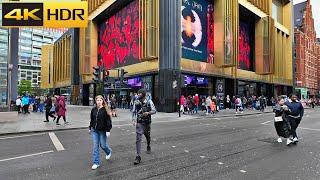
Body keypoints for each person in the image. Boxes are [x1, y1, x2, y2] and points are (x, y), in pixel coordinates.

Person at [132, 89, 156, 165]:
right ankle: (138, 156)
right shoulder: (136, 102)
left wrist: (148, 113)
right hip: (139, 122)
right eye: (138, 94)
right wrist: (133, 120)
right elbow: (133, 111)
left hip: (147, 123)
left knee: (147, 136)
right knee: (138, 138)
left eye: (140, 94)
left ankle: (148, 145)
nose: (138, 95)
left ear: (144, 95)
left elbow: (154, 111)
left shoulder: (149, 101)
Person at [89, 95, 112, 170]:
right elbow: (92, 120)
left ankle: (108, 151)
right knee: (95, 147)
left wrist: (108, 130)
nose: (98, 102)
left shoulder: (105, 110)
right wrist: (90, 128)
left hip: (103, 130)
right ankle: (96, 162)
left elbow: (108, 121)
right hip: (95, 131)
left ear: (102, 101)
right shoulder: (93, 109)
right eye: (97, 100)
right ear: (96, 101)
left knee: (103, 145)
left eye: (100, 100)